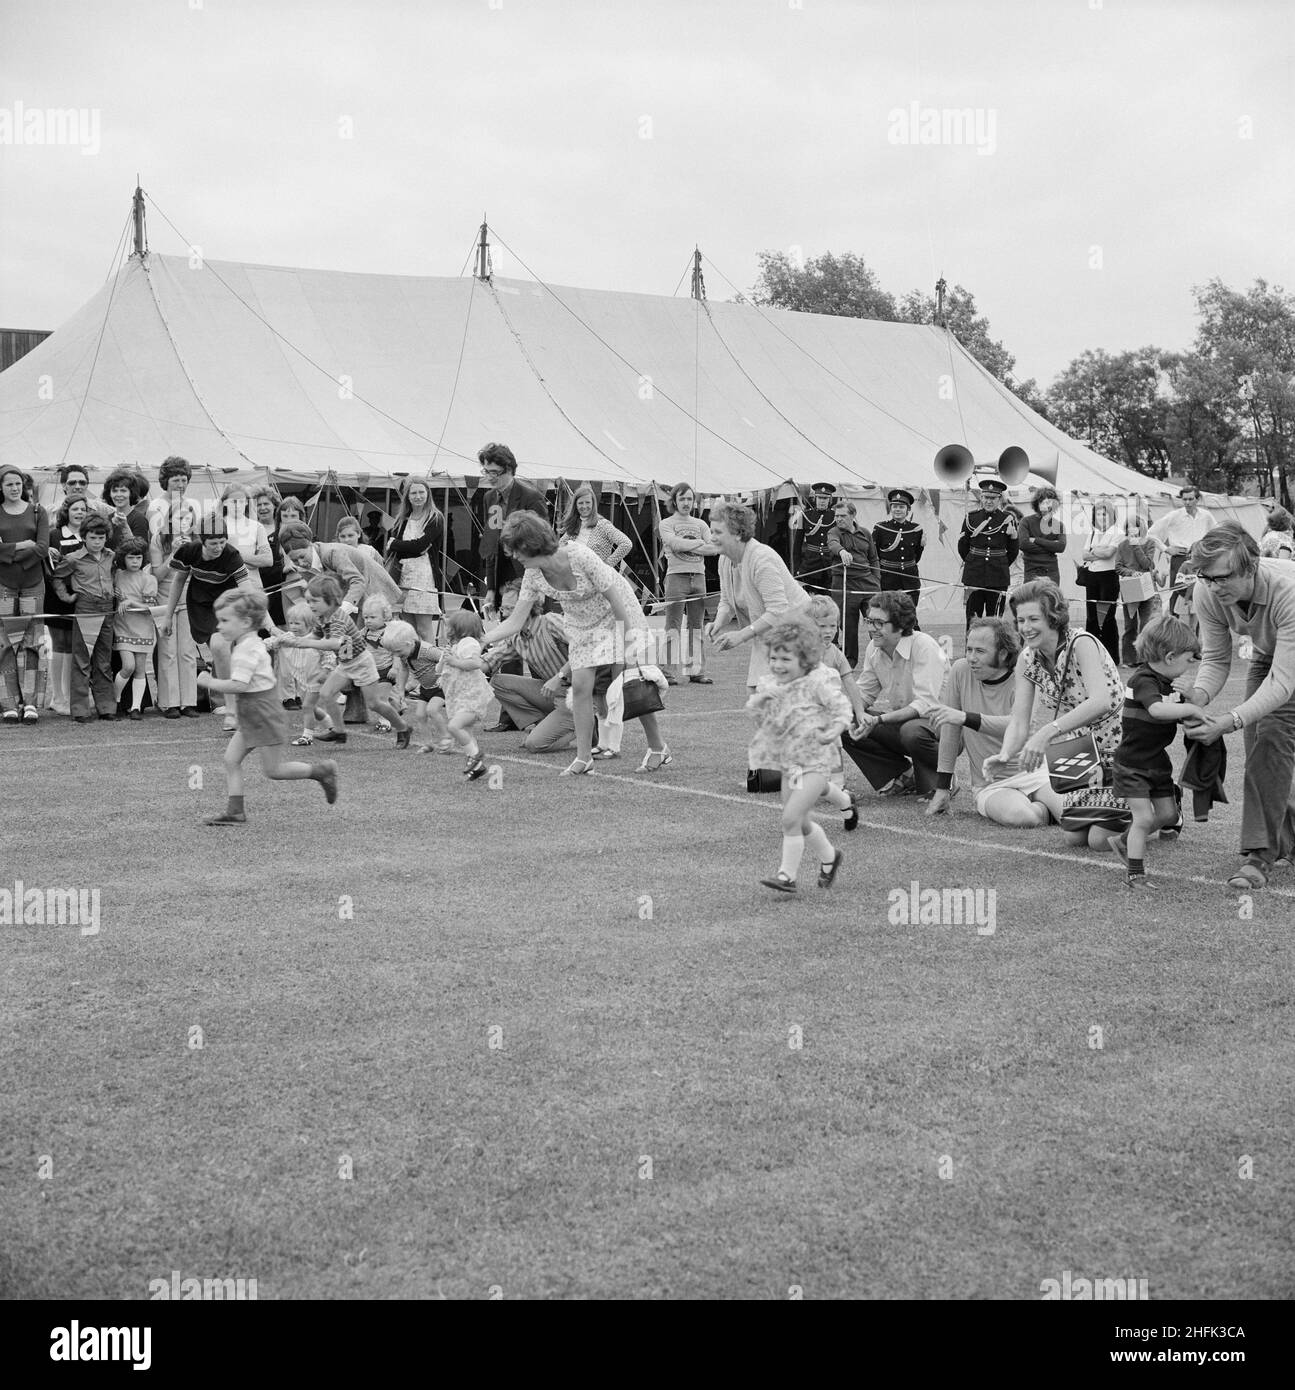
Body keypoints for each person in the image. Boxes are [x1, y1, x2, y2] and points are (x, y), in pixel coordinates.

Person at [481, 511, 669, 776]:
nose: (514, 556)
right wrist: (483, 638)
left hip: (616, 613)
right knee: (581, 687)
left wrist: (628, 643)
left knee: (627, 683)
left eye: (516, 549)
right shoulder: (532, 575)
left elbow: (616, 599)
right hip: (581, 623)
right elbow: (515, 621)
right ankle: (583, 759)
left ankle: (658, 747)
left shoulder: (580, 555)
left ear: (532, 543)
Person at [1179, 522, 1295, 891]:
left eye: (1222, 578)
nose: (1213, 586)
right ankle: (1285, 844)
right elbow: (1215, 657)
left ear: (1252, 565)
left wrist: (1228, 721)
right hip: (1267, 652)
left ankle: (1259, 855)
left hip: (1287, 660)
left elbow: (1283, 682)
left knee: (1272, 737)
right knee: (1257, 742)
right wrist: (1197, 699)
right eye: (1206, 578)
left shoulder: (1287, 590)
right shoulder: (1206, 590)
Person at [985, 579, 1125, 847]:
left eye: (1033, 619)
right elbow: (1019, 719)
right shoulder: (1028, 658)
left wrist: (1047, 733)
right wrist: (1004, 754)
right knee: (1073, 838)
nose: (1025, 627)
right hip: (1080, 754)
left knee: (1099, 841)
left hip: (1118, 750)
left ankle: (1161, 812)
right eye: (1021, 619)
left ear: (1054, 617)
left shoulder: (1081, 642)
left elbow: (1101, 701)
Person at [196, 589, 338, 825]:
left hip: (262, 713)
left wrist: (209, 682)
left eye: (224, 621)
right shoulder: (247, 643)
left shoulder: (247, 649)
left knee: (274, 770)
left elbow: (239, 685)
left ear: (245, 622)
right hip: (254, 712)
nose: (219, 626)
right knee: (231, 760)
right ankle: (235, 812)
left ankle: (322, 771)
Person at [706, 501, 812, 785]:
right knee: (757, 697)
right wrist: (718, 622)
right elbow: (727, 600)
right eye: (711, 531)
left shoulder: (762, 559)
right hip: (767, 635)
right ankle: (773, 772)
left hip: (796, 631)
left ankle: (801, 769)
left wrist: (741, 635)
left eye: (717, 531)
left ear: (738, 533)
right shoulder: (725, 560)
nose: (712, 537)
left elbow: (778, 610)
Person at [746, 618, 850, 893]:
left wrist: (834, 730)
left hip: (816, 764)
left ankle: (786, 876)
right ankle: (830, 857)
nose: (777, 665)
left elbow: (842, 709)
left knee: (790, 818)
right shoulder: (771, 685)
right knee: (801, 822)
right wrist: (760, 706)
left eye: (785, 659)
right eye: (773, 658)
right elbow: (764, 721)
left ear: (804, 660)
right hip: (788, 764)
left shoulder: (816, 683)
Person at [1105, 616, 1204, 888]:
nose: (1189, 666)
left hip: (1156, 762)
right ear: (1170, 657)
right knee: (1144, 818)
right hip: (1132, 764)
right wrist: (1190, 708)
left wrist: (1192, 696)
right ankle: (1135, 875)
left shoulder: (1169, 682)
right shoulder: (1144, 680)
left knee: (1168, 815)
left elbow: (1185, 712)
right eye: (1188, 660)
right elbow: (1158, 710)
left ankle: (1123, 841)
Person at [283, 574, 412, 748]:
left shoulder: (337, 617)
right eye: (308, 601)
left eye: (314, 601)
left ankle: (403, 728)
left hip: (361, 662)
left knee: (374, 703)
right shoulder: (321, 617)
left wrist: (305, 642)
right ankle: (339, 731)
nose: (310, 605)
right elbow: (317, 635)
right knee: (326, 694)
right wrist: (297, 639)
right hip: (345, 663)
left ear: (331, 600)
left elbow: (334, 642)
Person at [841, 590, 946, 798]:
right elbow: (863, 694)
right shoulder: (874, 648)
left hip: (941, 728)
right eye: (869, 621)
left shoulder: (924, 645)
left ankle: (945, 778)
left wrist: (878, 720)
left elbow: (924, 705)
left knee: (912, 732)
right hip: (907, 726)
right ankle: (902, 776)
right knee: (844, 718)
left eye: (879, 623)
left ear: (900, 624)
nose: (871, 628)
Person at [160, 511, 254, 732]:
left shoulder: (232, 555)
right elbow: (179, 581)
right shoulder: (189, 551)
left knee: (220, 646)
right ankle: (232, 701)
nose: (219, 547)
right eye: (213, 543)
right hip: (199, 602)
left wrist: (264, 622)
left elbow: (247, 590)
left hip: (226, 603)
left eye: (222, 542)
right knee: (217, 649)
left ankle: (231, 709)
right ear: (202, 540)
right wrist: (167, 616)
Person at [924, 617, 1020, 819]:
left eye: (980, 651)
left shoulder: (1022, 675)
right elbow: (950, 732)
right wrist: (943, 787)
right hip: (991, 784)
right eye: (969, 649)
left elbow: (1019, 724)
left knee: (1070, 811)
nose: (971, 658)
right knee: (1023, 816)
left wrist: (965, 717)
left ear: (1003, 654)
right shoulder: (961, 670)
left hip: (1034, 774)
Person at [482, 580, 576, 753]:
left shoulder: (550, 622)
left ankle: (584, 725)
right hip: (554, 694)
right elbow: (489, 662)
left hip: (578, 694)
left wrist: (559, 677)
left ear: (528, 606)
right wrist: (457, 658)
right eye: (504, 609)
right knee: (498, 682)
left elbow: (584, 647)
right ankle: (545, 723)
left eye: (511, 608)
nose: (505, 614)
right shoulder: (516, 637)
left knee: (534, 745)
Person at [807, 594, 865, 828]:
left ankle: (840, 788)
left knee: (833, 750)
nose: (829, 631)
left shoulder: (835, 653)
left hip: (829, 717)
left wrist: (859, 712)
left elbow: (850, 683)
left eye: (833, 626)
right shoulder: (802, 652)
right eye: (822, 626)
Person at [150, 455, 201, 719]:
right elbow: (157, 574)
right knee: (168, 652)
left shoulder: (197, 541)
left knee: (187, 651)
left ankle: (189, 701)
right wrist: (174, 555)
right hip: (165, 598)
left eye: (187, 517)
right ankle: (169, 702)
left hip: (189, 597)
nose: (183, 521)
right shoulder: (159, 541)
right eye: (178, 517)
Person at [56, 513, 117, 722]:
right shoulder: (73, 558)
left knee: (104, 660)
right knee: (82, 661)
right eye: (93, 537)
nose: (97, 542)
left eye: (101, 537)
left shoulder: (111, 556)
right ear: (84, 537)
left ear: (106, 537)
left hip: (108, 609)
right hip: (86, 608)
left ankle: (106, 707)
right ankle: (81, 709)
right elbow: (57, 576)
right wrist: (66, 596)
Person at [0, 464, 49, 722]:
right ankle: (8, 703)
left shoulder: (39, 512)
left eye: (18, 483)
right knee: (4, 645)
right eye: (9, 484)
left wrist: (8, 553)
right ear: (1, 487)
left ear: (24, 485)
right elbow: (31, 546)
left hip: (33, 582)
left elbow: (42, 548)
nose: (14, 488)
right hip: (3, 585)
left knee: (32, 643)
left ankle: (30, 703)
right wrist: (22, 545)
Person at [476, 443, 548, 615]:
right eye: (486, 471)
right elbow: (491, 544)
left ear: (508, 469)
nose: (490, 477)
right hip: (501, 575)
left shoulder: (531, 497)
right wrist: (491, 587)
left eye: (494, 472)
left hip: (527, 573)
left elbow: (543, 545)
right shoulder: (489, 498)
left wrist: (539, 584)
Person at [658, 482, 717, 686]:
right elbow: (675, 544)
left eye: (689, 499)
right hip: (676, 577)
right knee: (672, 625)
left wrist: (693, 546)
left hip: (698, 577)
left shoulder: (701, 524)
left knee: (696, 625)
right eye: (682, 498)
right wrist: (701, 545)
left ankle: (696, 671)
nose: (686, 502)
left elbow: (714, 549)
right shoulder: (666, 523)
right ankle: (666, 672)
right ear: (674, 501)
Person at [278, 522, 404, 615]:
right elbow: (322, 593)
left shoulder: (332, 553)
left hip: (376, 592)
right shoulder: (303, 568)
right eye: (294, 560)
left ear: (310, 545)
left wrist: (343, 610)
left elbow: (357, 581)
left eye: (302, 556)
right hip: (355, 600)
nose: (300, 562)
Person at [434, 608, 494, 780]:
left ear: (460, 629)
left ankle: (475, 755)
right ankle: (477, 766)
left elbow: (475, 663)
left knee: (454, 726)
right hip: (458, 696)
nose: (446, 630)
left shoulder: (469, 642)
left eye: (449, 627)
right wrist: (445, 659)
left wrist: (454, 661)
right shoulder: (454, 646)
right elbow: (439, 669)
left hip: (471, 696)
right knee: (466, 732)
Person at [44, 495, 90, 716]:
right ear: (66, 512)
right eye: (75, 509)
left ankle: (70, 695)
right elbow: (50, 567)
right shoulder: (54, 535)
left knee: (75, 645)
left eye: (83, 509)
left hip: (82, 597)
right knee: (59, 643)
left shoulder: (90, 536)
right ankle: (57, 697)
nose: (79, 513)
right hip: (57, 596)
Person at [378, 620, 451, 753]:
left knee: (432, 710)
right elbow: (405, 670)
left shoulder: (427, 650)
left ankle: (446, 738)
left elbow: (446, 658)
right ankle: (428, 744)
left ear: (409, 643)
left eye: (398, 651)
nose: (396, 655)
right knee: (420, 715)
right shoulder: (405, 653)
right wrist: (401, 689)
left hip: (440, 687)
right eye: (393, 652)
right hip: (425, 688)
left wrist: (442, 675)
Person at [386, 477, 445, 641]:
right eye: (414, 493)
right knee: (409, 629)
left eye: (421, 492)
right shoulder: (402, 519)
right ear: (408, 496)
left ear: (428, 494)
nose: (418, 496)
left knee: (424, 629)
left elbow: (421, 545)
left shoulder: (435, 518)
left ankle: (431, 664)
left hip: (424, 579)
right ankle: (413, 664)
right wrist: (408, 547)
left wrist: (397, 544)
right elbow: (404, 548)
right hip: (403, 576)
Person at [826, 499, 880, 666]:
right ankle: (849, 663)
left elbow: (873, 558)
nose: (838, 519)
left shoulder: (865, 533)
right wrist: (841, 551)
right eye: (836, 516)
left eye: (843, 516)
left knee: (877, 622)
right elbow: (832, 544)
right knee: (848, 628)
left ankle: (880, 658)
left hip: (868, 585)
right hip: (844, 584)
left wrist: (876, 581)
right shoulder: (834, 532)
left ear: (853, 515)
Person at [958, 477, 1019, 626]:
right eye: (985, 497)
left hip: (998, 576)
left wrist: (1001, 561)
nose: (988, 501)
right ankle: (971, 649)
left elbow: (1012, 552)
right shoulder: (970, 518)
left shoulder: (1008, 519)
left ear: (999, 500)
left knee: (995, 621)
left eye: (993, 498)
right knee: (973, 620)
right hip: (974, 575)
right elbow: (963, 546)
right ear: (981, 498)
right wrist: (973, 561)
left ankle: (995, 650)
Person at [1148, 485, 1214, 620]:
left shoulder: (1206, 516)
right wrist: (1166, 549)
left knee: (1199, 591)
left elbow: (1216, 533)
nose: (1187, 503)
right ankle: (1173, 624)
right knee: (1177, 592)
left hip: (1199, 558)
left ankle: (1197, 629)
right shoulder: (1174, 515)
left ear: (1198, 499)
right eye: (1184, 500)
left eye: (1190, 499)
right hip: (1179, 558)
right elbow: (1151, 534)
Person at [111, 538, 159, 719]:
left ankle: (136, 707)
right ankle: (115, 700)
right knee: (128, 666)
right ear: (123, 558)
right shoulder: (117, 575)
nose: (135, 562)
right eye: (131, 558)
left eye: (138, 558)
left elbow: (149, 609)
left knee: (140, 669)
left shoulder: (149, 579)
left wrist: (130, 602)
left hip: (143, 628)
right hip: (122, 626)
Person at [1080, 498, 1124, 665]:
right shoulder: (1092, 532)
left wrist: (1094, 551)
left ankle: (1111, 655)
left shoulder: (1117, 532)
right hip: (1092, 575)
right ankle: (1090, 653)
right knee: (1091, 616)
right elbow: (1084, 555)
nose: (1101, 518)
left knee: (1106, 616)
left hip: (1108, 576)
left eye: (1104, 514)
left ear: (1111, 515)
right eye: (1098, 514)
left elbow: (1109, 554)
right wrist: (1099, 550)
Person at [1117, 513, 1161, 666]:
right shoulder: (1122, 545)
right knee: (1130, 625)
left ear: (1141, 527)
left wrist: (1136, 545)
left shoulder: (1150, 543)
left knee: (1146, 624)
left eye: (1135, 526)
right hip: (1129, 587)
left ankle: (1144, 658)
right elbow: (1118, 567)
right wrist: (1130, 573)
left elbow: (1146, 564)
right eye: (1129, 526)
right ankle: (1129, 659)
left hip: (1146, 587)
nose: (1132, 529)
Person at [272, 602, 326, 719]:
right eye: (291, 623)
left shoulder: (314, 639)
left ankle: (326, 724)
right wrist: (272, 643)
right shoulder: (288, 636)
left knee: (309, 702)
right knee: (287, 678)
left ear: (309, 624)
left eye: (297, 623)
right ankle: (288, 699)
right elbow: (274, 641)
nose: (293, 626)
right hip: (293, 670)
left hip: (310, 674)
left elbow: (326, 652)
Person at [561, 484, 632, 568]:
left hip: (595, 578)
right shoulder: (575, 524)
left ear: (593, 504)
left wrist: (607, 564)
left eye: (587, 502)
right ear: (575, 506)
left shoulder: (603, 525)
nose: (584, 506)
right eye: (580, 503)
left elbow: (626, 544)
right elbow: (560, 546)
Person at [872, 488, 924, 602]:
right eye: (894, 506)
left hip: (910, 577)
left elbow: (917, 555)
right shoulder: (880, 528)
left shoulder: (916, 529)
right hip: (888, 577)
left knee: (910, 611)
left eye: (901, 507)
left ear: (908, 510)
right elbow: (874, 554)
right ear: (890, 509)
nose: (898, 510)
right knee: (887, 611)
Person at [792, 481, 838, 595]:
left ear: (830, 500)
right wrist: (797, 569)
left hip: (829, 566)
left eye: (825, 498)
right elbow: (796, 546)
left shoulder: (836, 517)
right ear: (815, 499)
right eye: (820, 498)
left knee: (828, 599)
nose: (822, 501)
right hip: (810, 566)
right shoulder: (804, 516)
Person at [1018, 485, 1066, 583]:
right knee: (1031, 597)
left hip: (1051, 570)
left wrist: (1036, 540)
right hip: (1031, 569)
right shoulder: (1026, 521)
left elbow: (1061, 547)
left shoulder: (1059, 525)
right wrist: (1051, 546)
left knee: (1050, 597)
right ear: (1037, 504)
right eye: (1041, 502)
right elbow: (1023, 544)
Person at [101, 467, 149, 547]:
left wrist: (124, 527)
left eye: (123, 491)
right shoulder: (106, 520)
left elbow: (139, 550)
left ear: (131, 493)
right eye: (115, 491)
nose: (119, 495)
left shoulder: (139, 519)